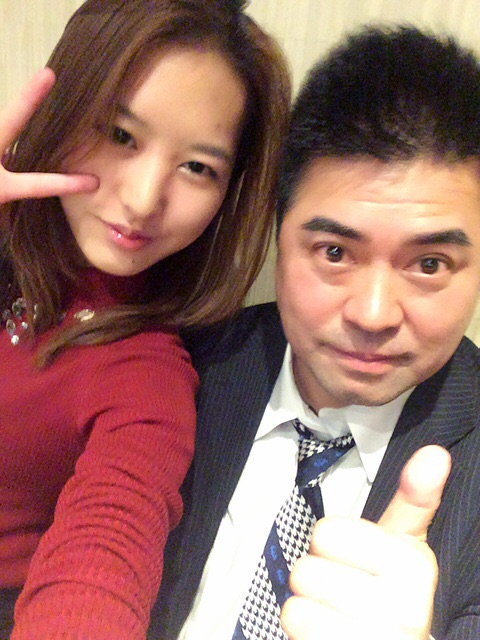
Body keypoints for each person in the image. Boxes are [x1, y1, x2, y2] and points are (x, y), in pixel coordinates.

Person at [149, 25, 480, 640]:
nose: (373, 315)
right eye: (334, 252)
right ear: (277, 236)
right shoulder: (180, 367)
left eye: (429, 264)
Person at [0, 0, 290, 637]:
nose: (142, 199)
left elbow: (107, 549)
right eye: (120, 135)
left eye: (197, 168)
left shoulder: (146, 376)